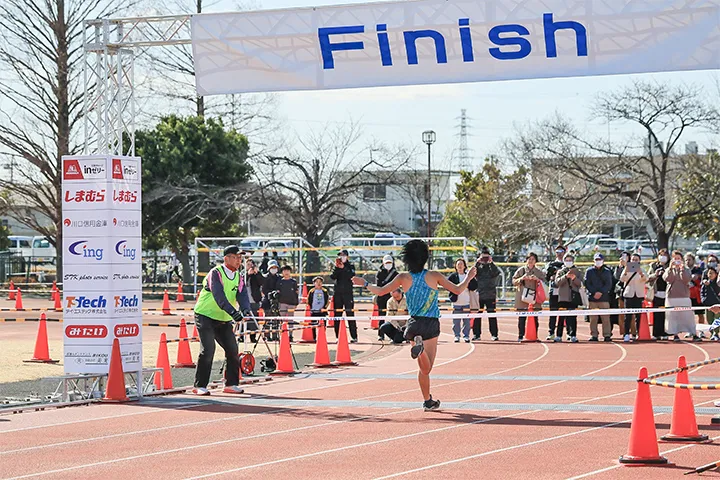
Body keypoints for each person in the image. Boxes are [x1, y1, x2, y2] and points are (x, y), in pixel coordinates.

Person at [352, 239, 477, 411]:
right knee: (427, 368)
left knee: (422, 368)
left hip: (414, 324)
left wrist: (365, 283)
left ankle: (428, 400)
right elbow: (457, 289)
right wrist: (469, 277)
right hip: (431, 322)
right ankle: (422, 354)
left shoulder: (403, 277)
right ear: (425, 257)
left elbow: (380, 291)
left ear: (407, 259)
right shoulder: (434, 275)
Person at [192, 246, 252, 396]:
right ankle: (199, 385)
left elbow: (242, 295)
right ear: (226, 258)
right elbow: (219, 296)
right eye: (236, 257)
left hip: (223, 319)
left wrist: (245, 310)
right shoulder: (216, 273)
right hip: (205, 315)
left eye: (240, 258)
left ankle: (231, 384)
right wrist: (234, 313)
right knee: (208, 350)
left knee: (232, 350)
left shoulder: (238, 276)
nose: (239, 260)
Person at [664, 250, 700, 342]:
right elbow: (668, 279)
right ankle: (675, 334)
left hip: (684, 296)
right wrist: (671, 268)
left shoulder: (686, 269)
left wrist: (682, 269)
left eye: (678, 259)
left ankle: (693, 333)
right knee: (672, 316)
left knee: (688, 316)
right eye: (675, 258)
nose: (677, 260)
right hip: (671, 296)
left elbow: (686, 279)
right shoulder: (668, 270)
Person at [512, 252, 544, 342]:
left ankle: (535, 336)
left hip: (534, 297)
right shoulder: (521, 270)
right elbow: (513, 281)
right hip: (522, 297)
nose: (531, 261)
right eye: (529, 259)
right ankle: (520, 336)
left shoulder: (539, 272)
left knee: (535, 318)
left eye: (533, 259)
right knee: (522, 318)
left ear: (536, 261)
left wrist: (537, 279)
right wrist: (522, 278)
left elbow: (544, 282)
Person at [553, 253, 582, 343]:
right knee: (561, 317)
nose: (568, 262)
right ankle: (559, 335)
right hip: (562, 297)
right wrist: (565, 276)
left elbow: (580, 284)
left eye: (570, 260)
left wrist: (574, 278)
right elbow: (557, 283)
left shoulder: (577, 271)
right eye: (567, 260)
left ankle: (572, 335)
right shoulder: (560, 271)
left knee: (572, 317)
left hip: (573, 297)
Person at [584, 253, 613, 342]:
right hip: (592, 298)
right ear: (593, 261)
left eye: (599, 260)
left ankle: (607, 335)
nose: (598, 261)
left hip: (604, 298)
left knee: (606, 318)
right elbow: (587, 283)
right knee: (593, 319)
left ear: (603, 261)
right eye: (596, 260)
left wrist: (601, 292)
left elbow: (609, 284)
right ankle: (594, 335)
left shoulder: (607, 271)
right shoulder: (589, 271)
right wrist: (594, 292)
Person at [473, 247, 500, 341]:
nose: (484, 259)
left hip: (490, 294)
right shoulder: (478, 267)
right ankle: (476, 334)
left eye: (486, 257)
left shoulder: (491, 267)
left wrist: (491, 262)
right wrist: (477, 262)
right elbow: (472, 273)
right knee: (477, 315)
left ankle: (494, 334)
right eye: (483, 257)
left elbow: (496, 273)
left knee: (492, 315)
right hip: (479, 294)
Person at [331, 249, 358, 343]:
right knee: (337, 314)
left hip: (348, 293)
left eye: (343, 255)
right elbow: (332, 277)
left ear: (347, 256)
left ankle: (354, 336)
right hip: (338, 293)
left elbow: (352, 276)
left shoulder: (351, 266)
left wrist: (344, 268)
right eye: (340, 255)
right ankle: (337, 336)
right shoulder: (336, 266)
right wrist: (337, 268)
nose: (341, 257)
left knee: (350, 314)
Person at [448, 258, 477, 343]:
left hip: (466, 302)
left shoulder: (468, 276)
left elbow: (475, 286)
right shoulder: (453, 276)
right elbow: (447, 286)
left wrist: (468, 282)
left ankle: (466, 336)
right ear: (456, 266)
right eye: (458, 264)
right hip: (456, 302)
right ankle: (456, 335)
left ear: (464, 266)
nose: (460, 266)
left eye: (461, 264)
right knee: (456, 321)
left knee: (466, 321)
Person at [620, 253, 647, 342]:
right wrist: (626, 270)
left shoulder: (642, 269)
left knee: (638, 316)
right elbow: (622, 279)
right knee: (627, 316)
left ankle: (639, 333)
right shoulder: (627, 269)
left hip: (639, 295)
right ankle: (626, 334)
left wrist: (640, 272)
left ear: (639, 261)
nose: (634, 261)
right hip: (629, 294)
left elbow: (645, 279)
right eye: (633, 259)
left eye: (636, 260)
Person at [544, 245, 567, 340]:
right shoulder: (551, 264)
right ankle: (551, 332)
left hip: (564, 291)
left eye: (561, 251)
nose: (559, 254)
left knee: (563, 314)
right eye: (557, 252)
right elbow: (546, 277)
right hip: (553, 290)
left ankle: (559, 334)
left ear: (564, 252)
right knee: (553, 313)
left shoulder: (567, 264)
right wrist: (551, 276)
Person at [647, 249, 670, 340]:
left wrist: (665, 273)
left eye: (665, 255)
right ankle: (656, 333)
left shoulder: (670, 266)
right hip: (656, 293)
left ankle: (665, 333)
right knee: (657, 314)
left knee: (666, 315)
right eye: (661, 255)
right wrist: (655, 274)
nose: (663, 257)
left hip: (667, 293)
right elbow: (648, 277)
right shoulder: (653, 266)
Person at [376, 255, 399, 341]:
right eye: (386, 263)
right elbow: (378, 285)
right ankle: (380, 334)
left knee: (392, 316)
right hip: (382, 297)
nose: (388, 264)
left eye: (390, 262)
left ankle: (392, 334)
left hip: (392, 297)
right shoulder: (379, 273)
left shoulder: (395, 274)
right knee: (381, 316)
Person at [686, 252, 706, 337]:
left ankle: (701, 331)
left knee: (700, 314)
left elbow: (700, 277)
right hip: (687, 296)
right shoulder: (683, 270)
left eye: (689, 260)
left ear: (693, 260)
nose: (687, 261)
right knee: (689, 315)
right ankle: (690, 331)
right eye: (686, 260)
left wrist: (696, 276)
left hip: (697, 295)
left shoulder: (697, 269)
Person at [262, 259, 281, 340]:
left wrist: (277, 293)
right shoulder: (265, 277)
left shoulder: (279, 278)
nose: (274, 269)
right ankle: (266, 335)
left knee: (276, 319)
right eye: (272, 267)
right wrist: (270, 294)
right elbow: (263, 289)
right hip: (267, 301)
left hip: (277, 301)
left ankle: (275, 335)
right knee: (267, 319)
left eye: (275, 267)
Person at [244, 258, 263, 343]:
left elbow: (262, 282)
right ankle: (242, 336)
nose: (249, 266)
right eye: (248, 264)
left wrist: (257, 273)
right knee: (244, 318)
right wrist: (248, 274)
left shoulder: (257, 274)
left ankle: (253, 336)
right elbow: (241, 283)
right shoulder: (242, 274)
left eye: (251, 265)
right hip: (244, 300)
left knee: (254, 319)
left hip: (254, 300)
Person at [307, 276, 330, 341]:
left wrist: (324, 308)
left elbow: (328, 301)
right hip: (314, 311)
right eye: (317, 282)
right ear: (314, 283)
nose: (318, 283)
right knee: (313, 325)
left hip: (322, 311)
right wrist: (311, 308)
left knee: (323, 325)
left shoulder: (325, 291)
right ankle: (314, 338)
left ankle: (322, 337)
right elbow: (308, 300)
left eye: (320, 282)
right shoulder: (311, 291)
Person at [701, 267, 720, 340]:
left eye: (712, 273)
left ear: (716, 274)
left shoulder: (718, 283)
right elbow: (702, 293)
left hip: (717, 304)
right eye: (709, 273)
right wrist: (704, 300)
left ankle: (716, 333)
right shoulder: (705, 283)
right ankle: (712, 333)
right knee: (709, 319)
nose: (710, 275)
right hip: (708, 305)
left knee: (717, 319)